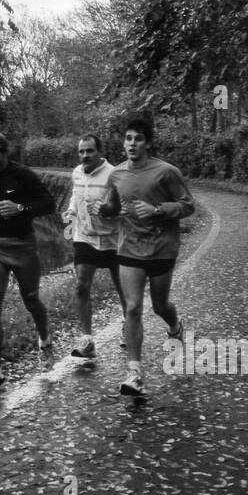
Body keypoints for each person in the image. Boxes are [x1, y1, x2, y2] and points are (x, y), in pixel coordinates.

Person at [98, 116, 195, 397]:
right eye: (128, 138)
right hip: (129, 246)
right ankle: (135, 373)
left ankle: (175, 327)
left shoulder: (166, 172)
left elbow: (188, 206)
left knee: (160, 306)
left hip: (162, 247)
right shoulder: (115, 174)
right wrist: (104, 210)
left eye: (138, 139)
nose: (132, 144)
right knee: (132, 308)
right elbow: (113, 207)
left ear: (148, 143)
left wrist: (157, 210)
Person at [0, 131, 57, 392]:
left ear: (6, 153)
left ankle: (45, 341)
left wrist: (20, 208)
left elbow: (48, 204)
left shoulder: (24, 176)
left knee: (31, 300)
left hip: (23, 246)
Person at [62, 134, 126, 360]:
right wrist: (71, 210)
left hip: (113, 240)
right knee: (81, 285)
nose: (85, 155)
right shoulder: (77, 172)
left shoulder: (114, 174)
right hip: (85, 236)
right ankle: (87, 340)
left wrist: (106, 209)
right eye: (81, 151)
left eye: (89, 151)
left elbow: (122, 206)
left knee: (123, 288)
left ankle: (128, 324)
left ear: (100, 152)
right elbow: (74, 195)